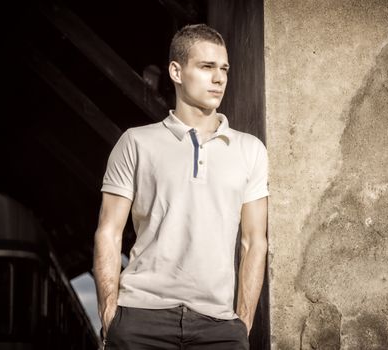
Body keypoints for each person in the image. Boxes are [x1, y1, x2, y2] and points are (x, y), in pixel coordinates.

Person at [93, 24, 269, 350]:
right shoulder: (135, 142)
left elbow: (254, 241)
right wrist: (109, 313)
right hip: (141, 317)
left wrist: (242, 323)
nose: (219, 79)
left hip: (219, 325)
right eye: (206, 67)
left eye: (224, 69)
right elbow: (108, 231)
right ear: (176, 71)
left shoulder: (251, 150)